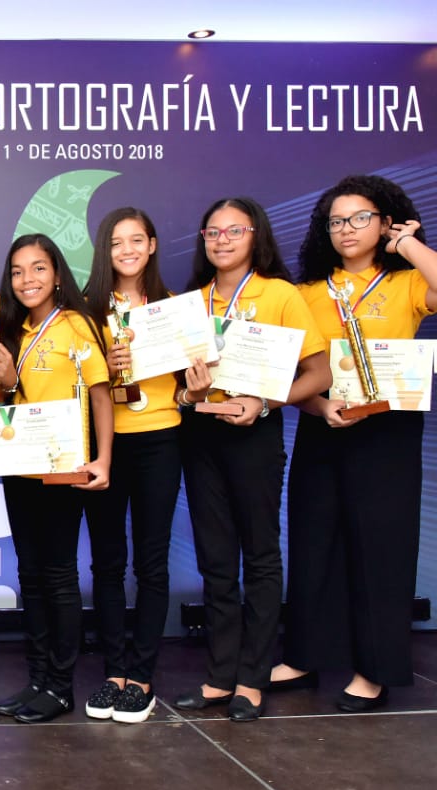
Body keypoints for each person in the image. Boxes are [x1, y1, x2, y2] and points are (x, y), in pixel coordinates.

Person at [272, 175, 437, 712]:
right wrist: (320, 407)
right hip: (326, 425)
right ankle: (302, 656)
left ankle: (374, 669)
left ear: (385, 220)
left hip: (389, 429)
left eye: (360, 218)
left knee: (381, 549)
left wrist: (407, 244)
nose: (346, 229)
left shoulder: (408, 282)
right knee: (314, 542)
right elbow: (292, 374)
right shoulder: (307, 292)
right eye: (336, 221)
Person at [173, 197, 330, 722]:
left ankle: (252, 679)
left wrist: (266, 402)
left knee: (260, 555)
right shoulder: (190, 304)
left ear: (254, 235)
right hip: (202, 439)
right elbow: (178, 392)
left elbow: (320, 373)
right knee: (216, 562)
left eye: (233, 230)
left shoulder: (279, 294)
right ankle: (220, 676)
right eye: (212, 232)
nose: (221, 240)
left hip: (256, 437)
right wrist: (191, 395)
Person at [0, 233, 112, 724]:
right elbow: (6, 399)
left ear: (57, 274)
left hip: (63, 467)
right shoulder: (10, 330)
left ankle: (61, 686)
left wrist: (105, 461)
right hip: (20, 465)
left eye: (37, 268)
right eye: (17, 271)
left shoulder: (76, 325)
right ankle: (36, 680)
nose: (27, 279)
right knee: (29, 575)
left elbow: (100, 396)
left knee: (58, 576)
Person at [78, 208, 181, 724]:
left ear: (153, 245)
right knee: (107, 562)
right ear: (105, 250)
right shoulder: (86, 309)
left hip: (160, 438)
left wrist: (199, 381)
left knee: (152, 561)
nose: (126, 250)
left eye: (136, 240)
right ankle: (114, 673)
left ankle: (142, 677)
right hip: (104, 443)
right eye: (116, 242)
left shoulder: (173, 308)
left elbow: (190, 386)